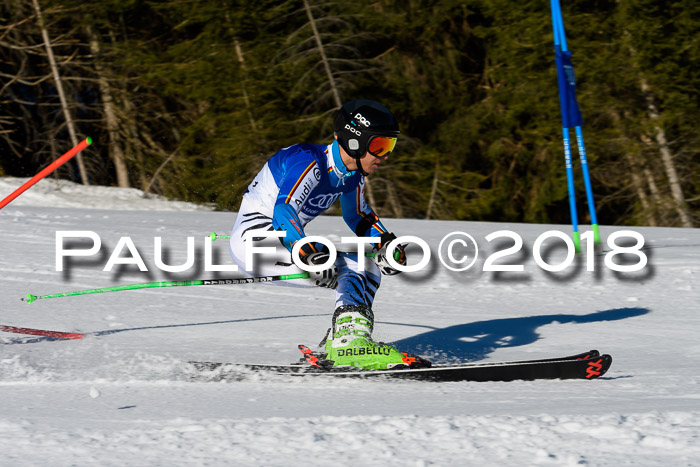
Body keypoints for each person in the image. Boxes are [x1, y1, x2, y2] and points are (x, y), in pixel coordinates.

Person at [229, 100, 430, 371]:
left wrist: (385, 244)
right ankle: (349, 344)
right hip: (256, 240)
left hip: (281, 241)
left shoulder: (350, 176)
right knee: (359, 267)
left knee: (368, 268)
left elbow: (357, 216)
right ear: (354, 141)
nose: (384, 156)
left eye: (390, 147)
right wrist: (306, 250)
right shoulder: (309, 161)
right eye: (379, 146)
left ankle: (340, 343)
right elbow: (284, 209)